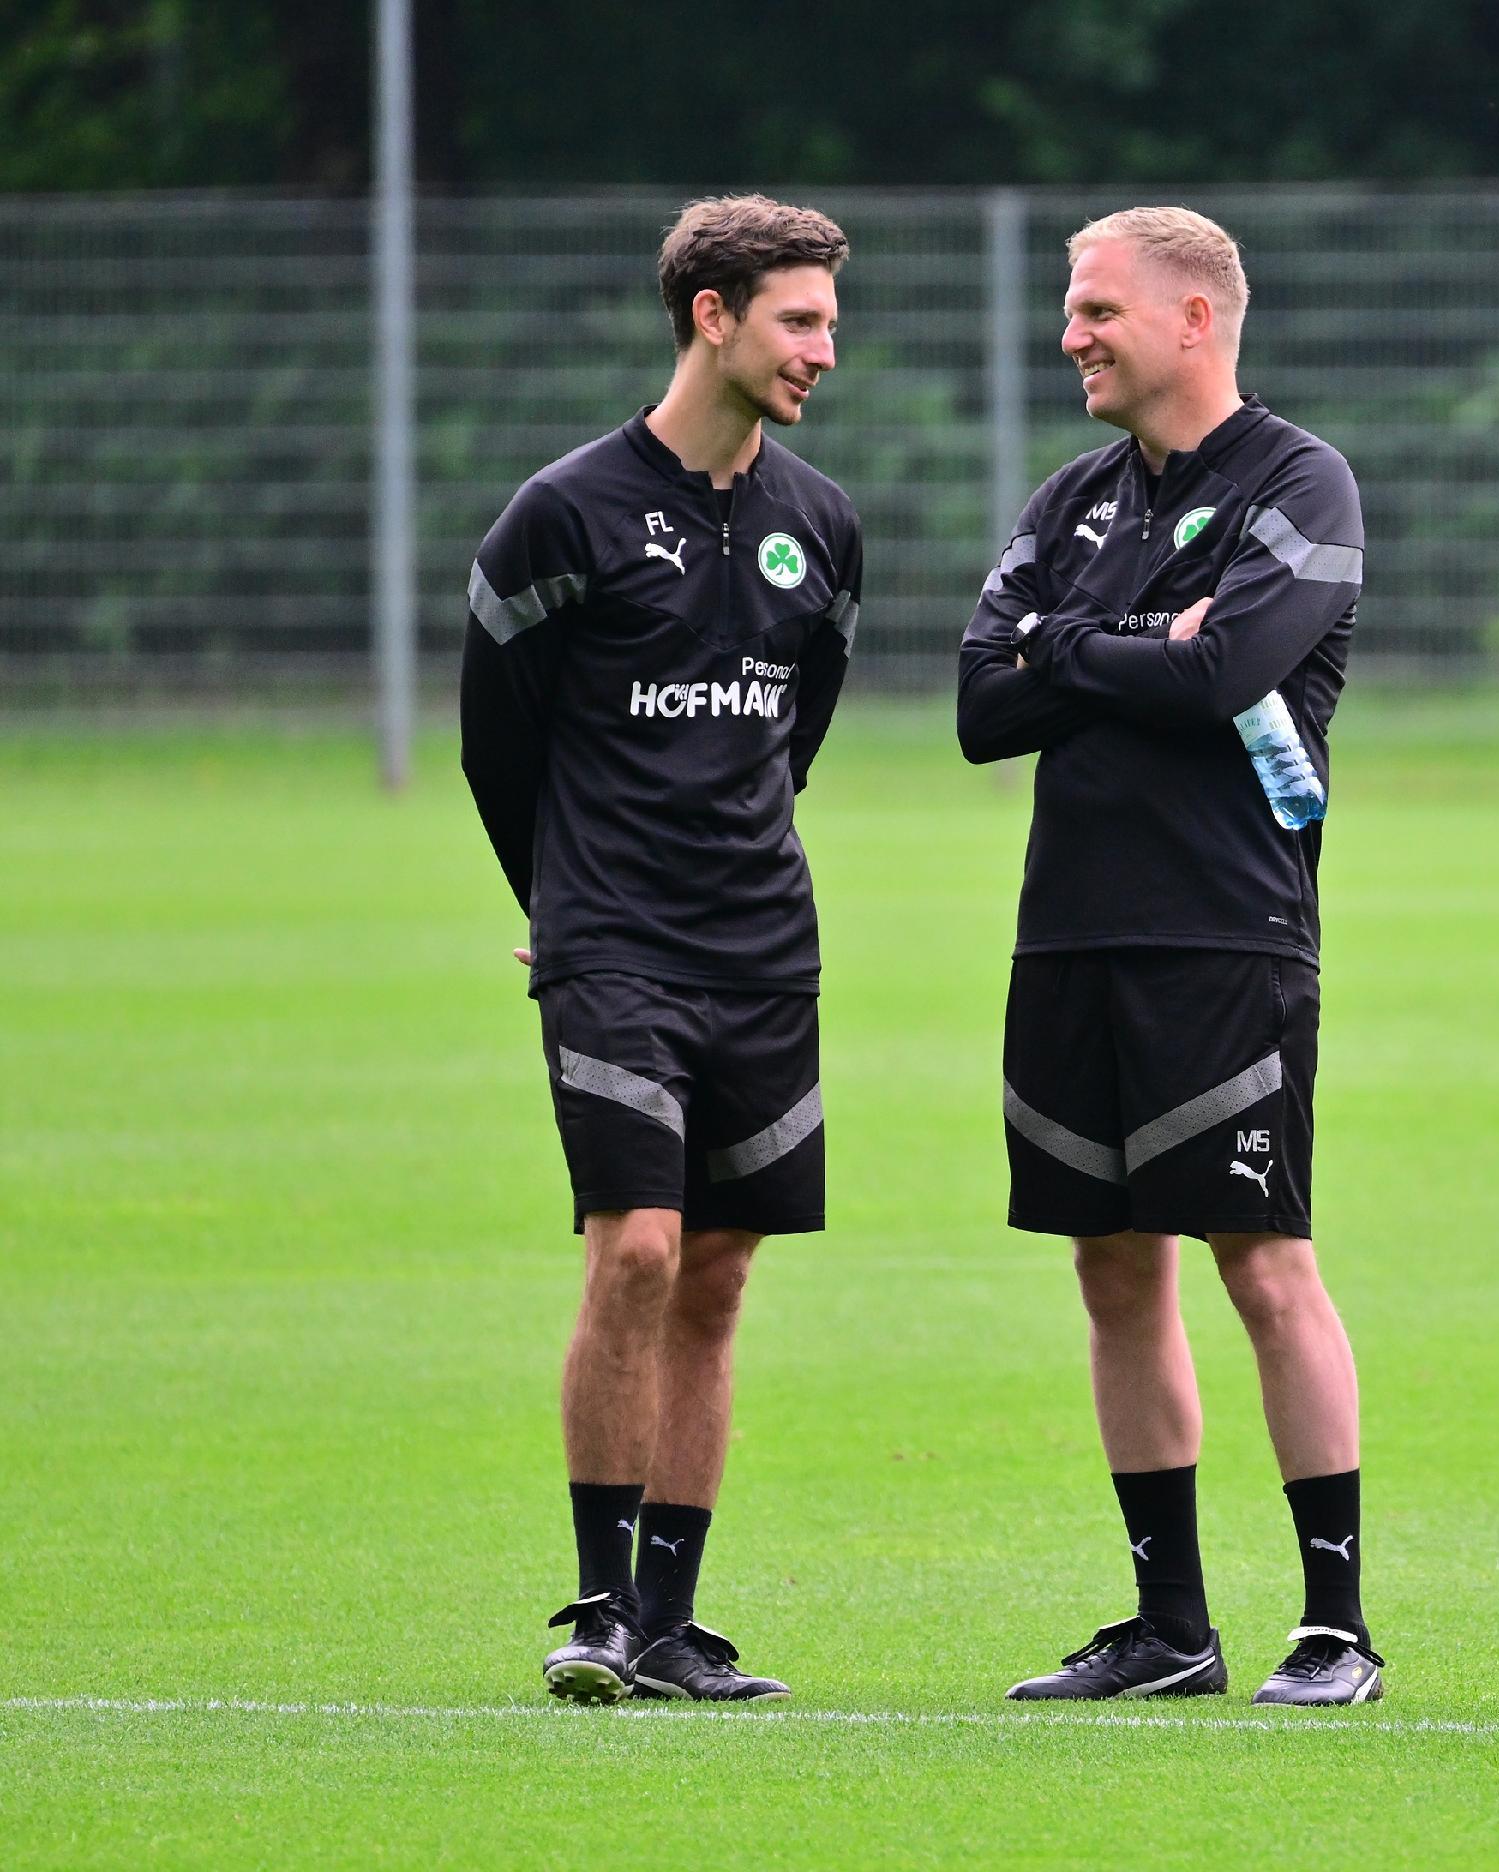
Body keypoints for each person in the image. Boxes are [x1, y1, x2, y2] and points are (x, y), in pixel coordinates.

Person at [955, 207, 1379, 1708]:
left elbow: (1231, 674)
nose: (1072, 334)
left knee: (1264, 1263)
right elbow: (978, 708)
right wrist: (1123, 644)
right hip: (1070, 928)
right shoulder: (1072, 495)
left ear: (1195, 318)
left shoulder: (1297, 479)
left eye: (1096, 309)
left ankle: (1334, 1626)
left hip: (1225, 928)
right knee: (1111, 1267)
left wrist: (1069, 649)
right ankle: (1169, 1628)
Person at [461, 195, 859, 1704]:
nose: (828, 347)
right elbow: (496, 747)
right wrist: (559, 908)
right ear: (714, 316)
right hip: (612, 943)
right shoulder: (558, 515)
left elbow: (794, 732)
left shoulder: (821, 524)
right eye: (801, 320)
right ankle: (596, 1607)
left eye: (827, 319)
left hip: (766, 949)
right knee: (632, 1249)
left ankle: (675, 1626)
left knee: (720, 1273)